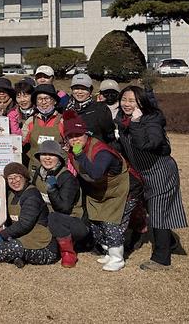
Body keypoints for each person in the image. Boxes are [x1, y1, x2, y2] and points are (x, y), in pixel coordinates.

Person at [114, 86, 188, 271]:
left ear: (141, 102)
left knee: (158, 211)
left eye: (132, 101)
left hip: (160, 171)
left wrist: (136, 122)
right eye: (124, 100)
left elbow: (148, 144)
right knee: (153, 209)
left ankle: (161, 259)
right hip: (143, 173)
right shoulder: (122, 119)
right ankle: (170, 243)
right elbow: (125, 146)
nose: (127, 104)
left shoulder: (152, 119)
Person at [65, 111, 132, 272]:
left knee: (111, 222)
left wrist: (79, 155)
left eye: (78, 135)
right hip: (100, 192)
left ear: (86, 134)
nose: (75, 139)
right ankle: (108, 251)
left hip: (120, 190)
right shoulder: (74, 150)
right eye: (70, 136)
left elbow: (96, 173)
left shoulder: (101, 151)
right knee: (96, 221)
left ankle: (117, 258)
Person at [0, 162, 58, 268]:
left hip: (44, 246)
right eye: (10, 178)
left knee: (10, 248)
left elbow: (24, 224)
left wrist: (2, 235)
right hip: (26, 237)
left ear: (25, 177)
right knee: (10, 243)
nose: (14, 181)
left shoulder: (32, 196)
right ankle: (17, 258)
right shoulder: (12, 194)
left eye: (17, 177)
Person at [31, 140, 87, 267]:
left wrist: (52, 190)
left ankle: (68, 253)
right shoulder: (38, 173)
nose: (47, 158)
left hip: (71, 222)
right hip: (47, 218)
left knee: (54, 218)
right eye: (44, 154)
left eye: (52, 155)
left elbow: (64, 208)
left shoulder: (67, 178)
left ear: (59, 158)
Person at [23, 84, 64, 173]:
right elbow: (20, 143)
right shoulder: (30, 121)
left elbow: (74, 144)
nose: (43, 102)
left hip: (58, 170)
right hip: (35, 170)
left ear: (54, 101)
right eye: (40, 99)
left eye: (47, 98)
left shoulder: (62, 121)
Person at [64, 73, 115, 143]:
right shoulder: (66, 108)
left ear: (90, 90)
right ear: (72, 90)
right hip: (74, 148)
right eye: (76, 88)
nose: (80, 92)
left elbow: (110, 134)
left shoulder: (100, 108)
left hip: (94, 147)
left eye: (84, 89)